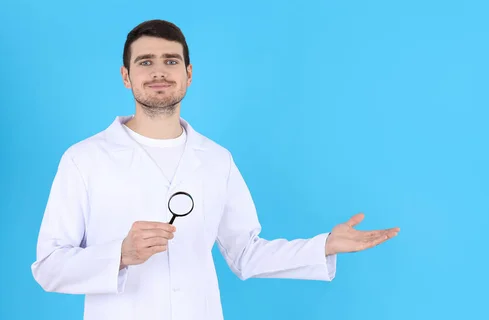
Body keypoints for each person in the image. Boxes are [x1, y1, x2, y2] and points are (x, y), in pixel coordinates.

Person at [31, 19, 400, 320]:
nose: (159, 72)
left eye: (170, 61)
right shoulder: (85, 159)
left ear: (189, 74)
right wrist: (121, 255)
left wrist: (323, 246)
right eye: (145, 62)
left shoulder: (216, 159)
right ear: (126, 76)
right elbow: (48, 266)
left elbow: (246, 254)